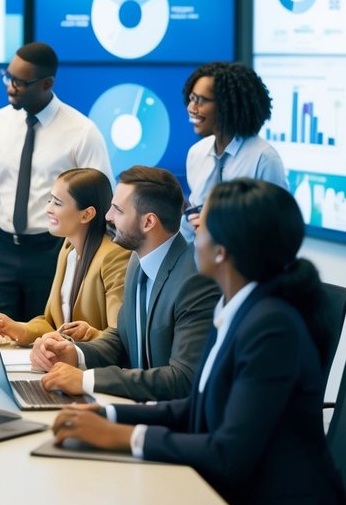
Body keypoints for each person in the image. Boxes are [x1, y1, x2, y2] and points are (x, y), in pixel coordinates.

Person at [51, 179, 344, 505]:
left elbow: (228, 454)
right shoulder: (237, 307)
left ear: (222, 252)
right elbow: (196, 405)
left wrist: (125, 437)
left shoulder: (271, 327)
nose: (192, 238)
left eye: (200, 229)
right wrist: (110, 414)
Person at [0, 42, 112, 321]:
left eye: (20, 82)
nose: (10, 86)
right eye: (8, 77)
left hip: (54, 251)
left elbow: (101, 201)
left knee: (47, 339)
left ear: (47, 83)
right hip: (2, 250)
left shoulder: (82, 132)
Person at [34, 165, 218, 402]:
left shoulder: (194, 281)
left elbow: (182, 379)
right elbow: (123, 338)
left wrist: (86, 380)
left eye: (118, 210)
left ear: (148, 222)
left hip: (170, 420)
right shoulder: (136, 261)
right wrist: (74, 354)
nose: (108, 216)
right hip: (136, 404)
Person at [0, 168, 130, 346]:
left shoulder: (114, 256)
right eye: (50, 200)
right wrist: (16, 328)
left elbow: (120, 338)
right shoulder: (67, 248)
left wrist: (91, 334)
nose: (48, 209)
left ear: (87, 214)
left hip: (93, 365)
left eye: (57, 203)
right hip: (64, 358)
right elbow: (52, 324)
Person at [181, 61, 285, 239]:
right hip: (200, 261)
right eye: (191, 98)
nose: (192, 108)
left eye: (201, 100)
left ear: (227, 105)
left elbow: (277, 228)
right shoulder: (196, 153)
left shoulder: (263, 158)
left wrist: (217, 228)